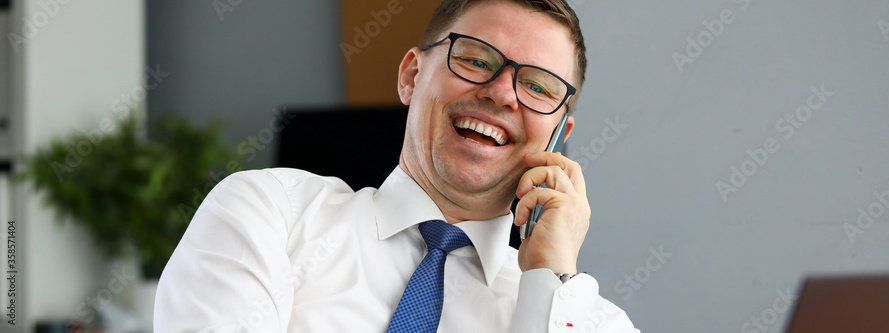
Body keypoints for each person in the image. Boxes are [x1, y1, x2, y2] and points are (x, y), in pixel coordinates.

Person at [154, 0, 638, 331]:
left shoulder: (595, 323)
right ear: (410, 76)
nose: (501, 92)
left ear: (560, 138)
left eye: (538, 87)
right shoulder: (269, 213)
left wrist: (549, 283)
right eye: (474, 59)